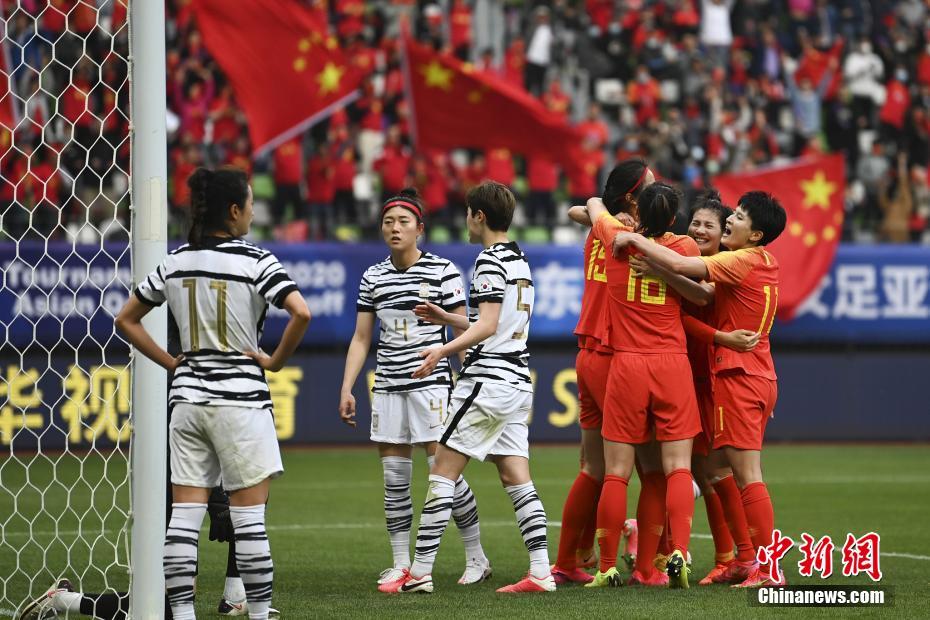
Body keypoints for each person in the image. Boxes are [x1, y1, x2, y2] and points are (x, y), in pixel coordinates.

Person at [115, 167, 311, 619]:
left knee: (183, 518)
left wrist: (171, 362)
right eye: (250, 204)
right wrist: (275, 361)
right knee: (249, 521)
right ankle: (258, 613)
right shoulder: (257, 261)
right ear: (235, 210)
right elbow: (300, 313)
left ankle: (182, 616)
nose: (254, 213)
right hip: (241, 401)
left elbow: (126, 320)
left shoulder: (175, 260)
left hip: (186, 401)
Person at [381, 181, 555, 594]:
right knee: (517, 476)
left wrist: (442, 350)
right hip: (517, 381)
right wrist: (450, 316)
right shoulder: (519, 259)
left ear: (479, 216)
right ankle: (541, 571)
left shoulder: (488, 261)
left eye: (468, 213)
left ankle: (419, 573)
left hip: (488, 380)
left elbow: (489, 325)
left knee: (442, 471)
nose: (466, 220)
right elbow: (496, 321)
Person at [612, 191, 788, 587]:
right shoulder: (758, 261)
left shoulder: (738, 261)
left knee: (746, 475)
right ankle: (742, 558)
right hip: (743, 373)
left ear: (756, 234)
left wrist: (636, 238)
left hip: (738, 375)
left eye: (735, 217)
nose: (725, 222)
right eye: (700, 222)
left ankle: (767, 568)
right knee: (713, 469)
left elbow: (679, 267)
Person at [339, 188, 490, 589]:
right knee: (393, 480)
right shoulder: (373, 276)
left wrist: (468, 377)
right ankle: (401, 563)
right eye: (388, 221)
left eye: (404, 221)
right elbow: (360, 338)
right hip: (387, 386)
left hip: (432, 385)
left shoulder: (443, 272)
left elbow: (465, 329)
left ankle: (477, 555)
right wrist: (348, 387)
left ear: (419, 229)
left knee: (445, 475)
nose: (395, 228)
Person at [582, 183, 703, 589]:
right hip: (671, 363)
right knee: (677, 469)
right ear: (672, 218)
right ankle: (679, 555)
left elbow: (593, 204)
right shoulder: (684, 248)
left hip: (627, 363)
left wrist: (625, 228)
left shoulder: (615, 239)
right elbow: (701, 295)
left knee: (616, 473)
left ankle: (607, 567)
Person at [552, 159, 654, 586]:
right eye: (650, 183)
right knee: (651, 470)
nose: (658, 186)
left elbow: (581, 209)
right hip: (620, 356)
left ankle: (569, 560)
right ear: (632, 195)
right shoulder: (636, 237)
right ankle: (647, 564)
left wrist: (594, 205)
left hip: (588, 352)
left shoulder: (601, 225)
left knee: (592, 467)